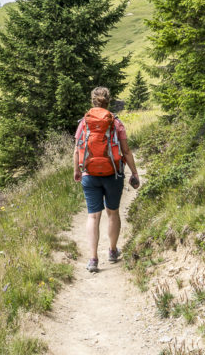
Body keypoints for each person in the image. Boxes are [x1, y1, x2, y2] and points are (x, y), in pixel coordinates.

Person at [73, 86, 141, 273]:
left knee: (93, 216)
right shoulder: (115, 123)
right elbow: (126, 151)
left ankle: (93, 259)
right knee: (113, 212)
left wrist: (77, 170)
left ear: (93, 101)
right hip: (113, 174)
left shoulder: (84, 123)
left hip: (89, 174)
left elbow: (77, 148)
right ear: (109, 101)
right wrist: (134, 173)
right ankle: (112, 251)